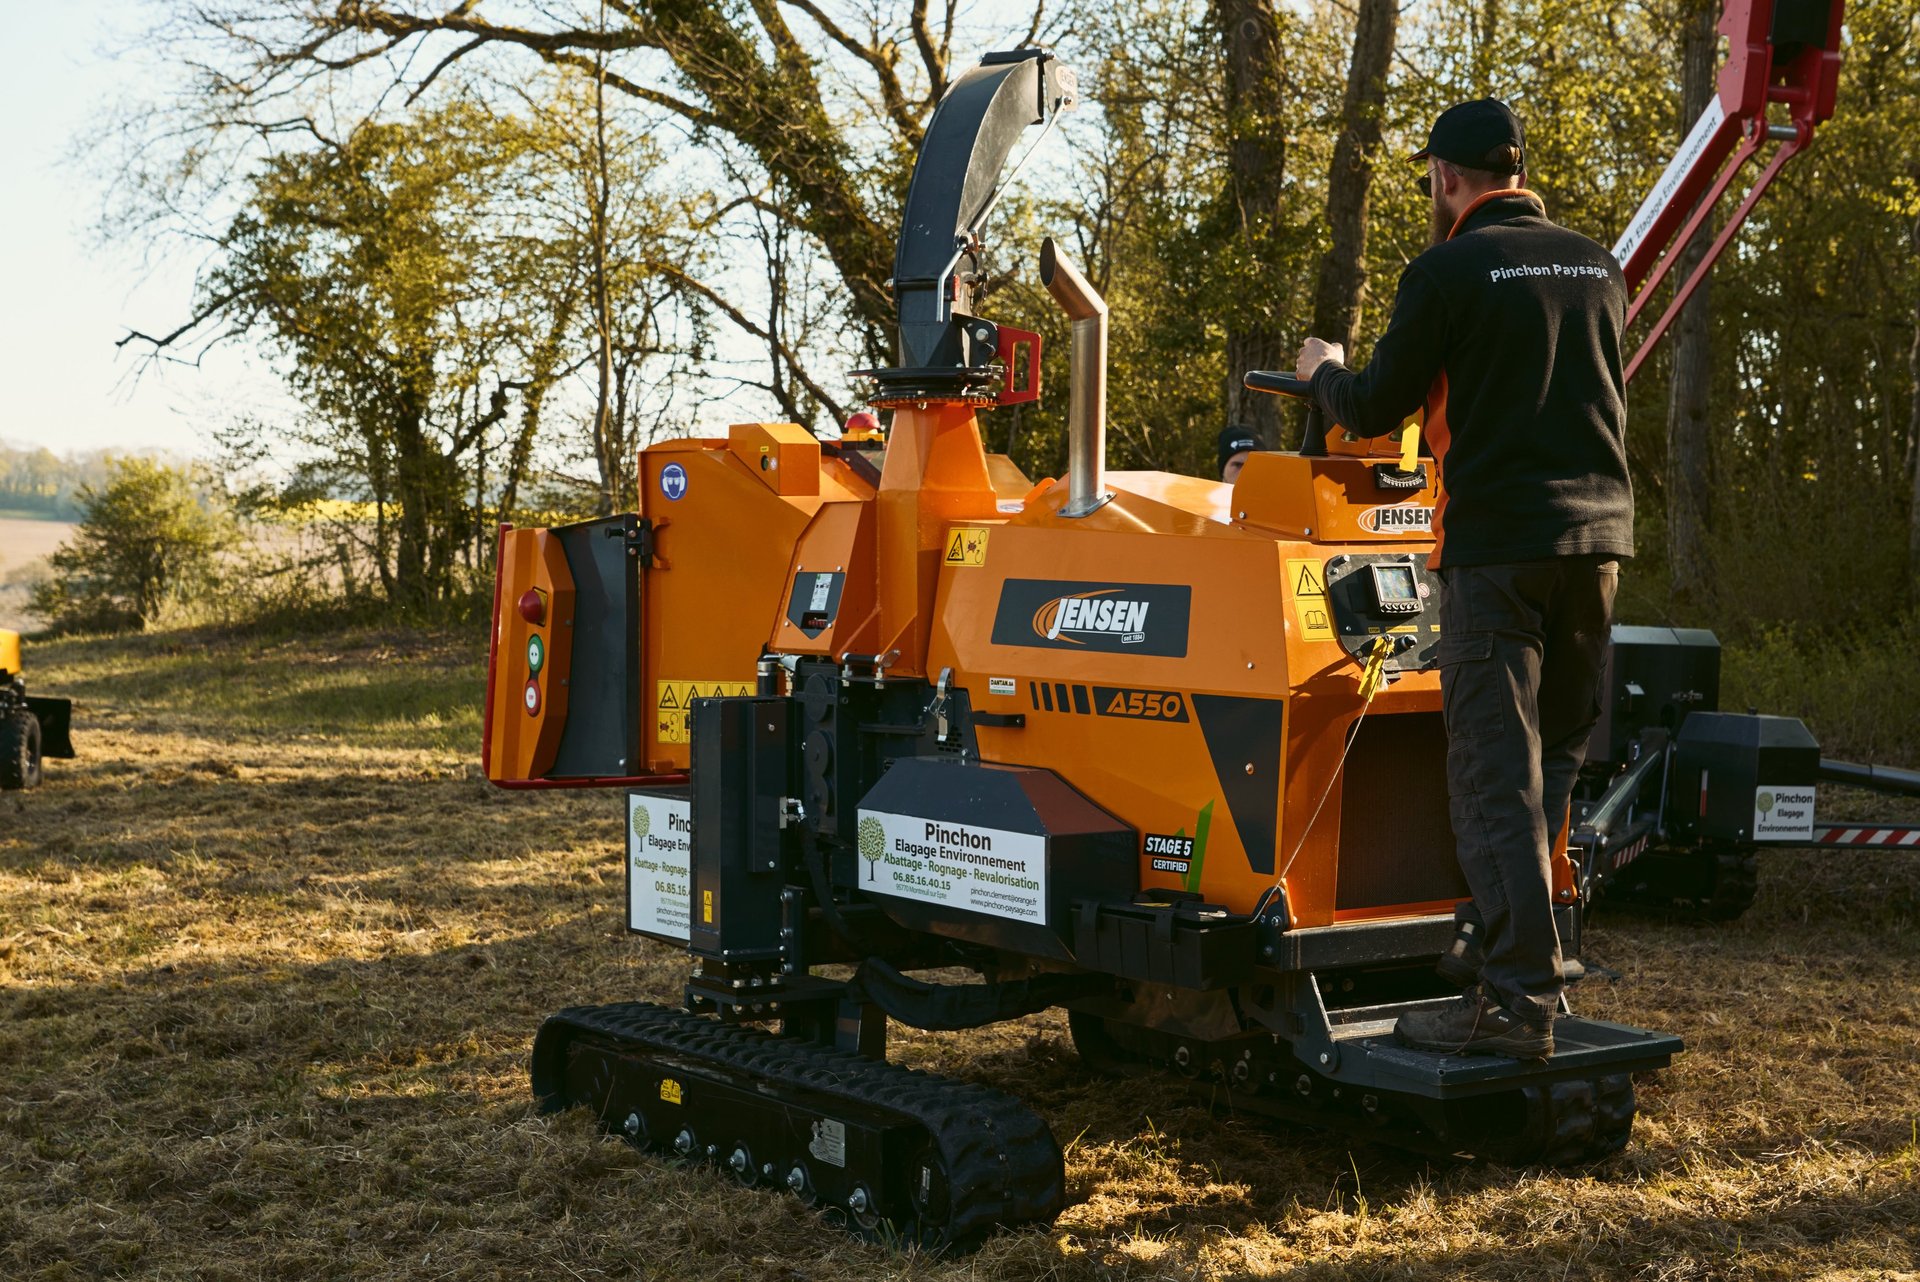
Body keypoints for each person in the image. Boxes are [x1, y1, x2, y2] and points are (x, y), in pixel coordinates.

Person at [1293, 99, 1632, 1059]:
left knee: (1492, 775)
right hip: (1598, 546)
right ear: (1517, 169)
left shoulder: (1445, 270)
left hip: (1496, 551)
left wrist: (1325, 369)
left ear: (1447, 178)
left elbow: (1370, 406)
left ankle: (1516, 1004)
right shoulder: (1597, 266)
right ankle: (1505, 948)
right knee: (1551, 761)